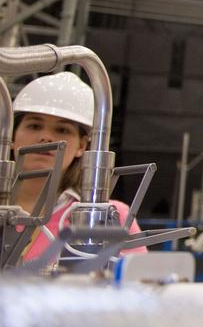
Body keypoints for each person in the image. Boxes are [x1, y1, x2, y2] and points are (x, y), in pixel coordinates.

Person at [9, 71, 144, 262]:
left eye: (62, 130)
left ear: (82, 146)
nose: (46, 137)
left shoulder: (108, 217)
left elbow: (134, 286)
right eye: (34, 126)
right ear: (12, 137)